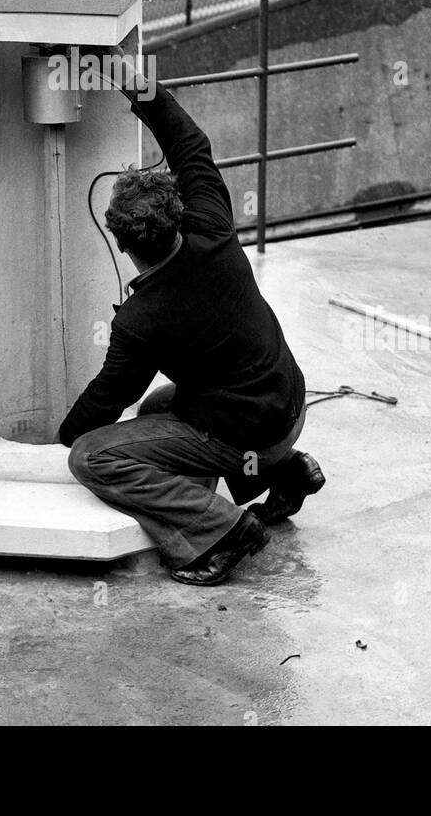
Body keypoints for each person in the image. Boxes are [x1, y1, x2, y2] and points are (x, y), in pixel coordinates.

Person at [59, 52, 324, 586]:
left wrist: (62, 436)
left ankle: (224, 532)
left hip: (252, 429)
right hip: (290, 401)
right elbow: (188, 140)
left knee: (93, 458)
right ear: (177, 212)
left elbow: (106, 401)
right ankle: (286, 470)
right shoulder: (211, 220)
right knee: (161, 405)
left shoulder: (143, 319)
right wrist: (125, 74)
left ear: (123, 242)